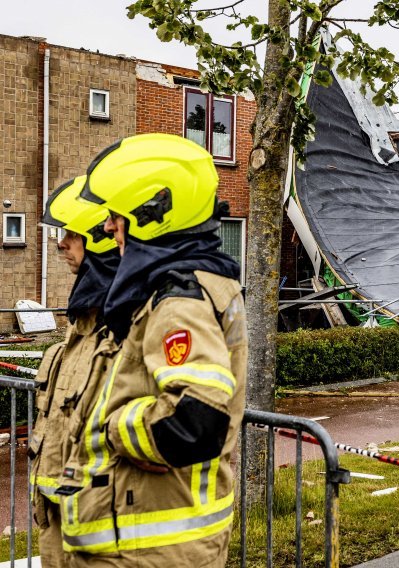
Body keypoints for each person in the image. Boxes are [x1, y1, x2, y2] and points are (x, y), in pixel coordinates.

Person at [57, 133, 247, 567]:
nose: (107, 228)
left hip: (152, 547)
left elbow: (194, 422)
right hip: (149, 540)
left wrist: (114, 425)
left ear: (152, 216)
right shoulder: (193, 286)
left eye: (116, 217)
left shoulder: (179, 300)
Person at [31, 176, 120, 568]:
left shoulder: (123, 324)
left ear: (99, 241)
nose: (60, 243)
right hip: (56, 523)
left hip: (95, 535)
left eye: (72, 234)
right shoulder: (80, 326)